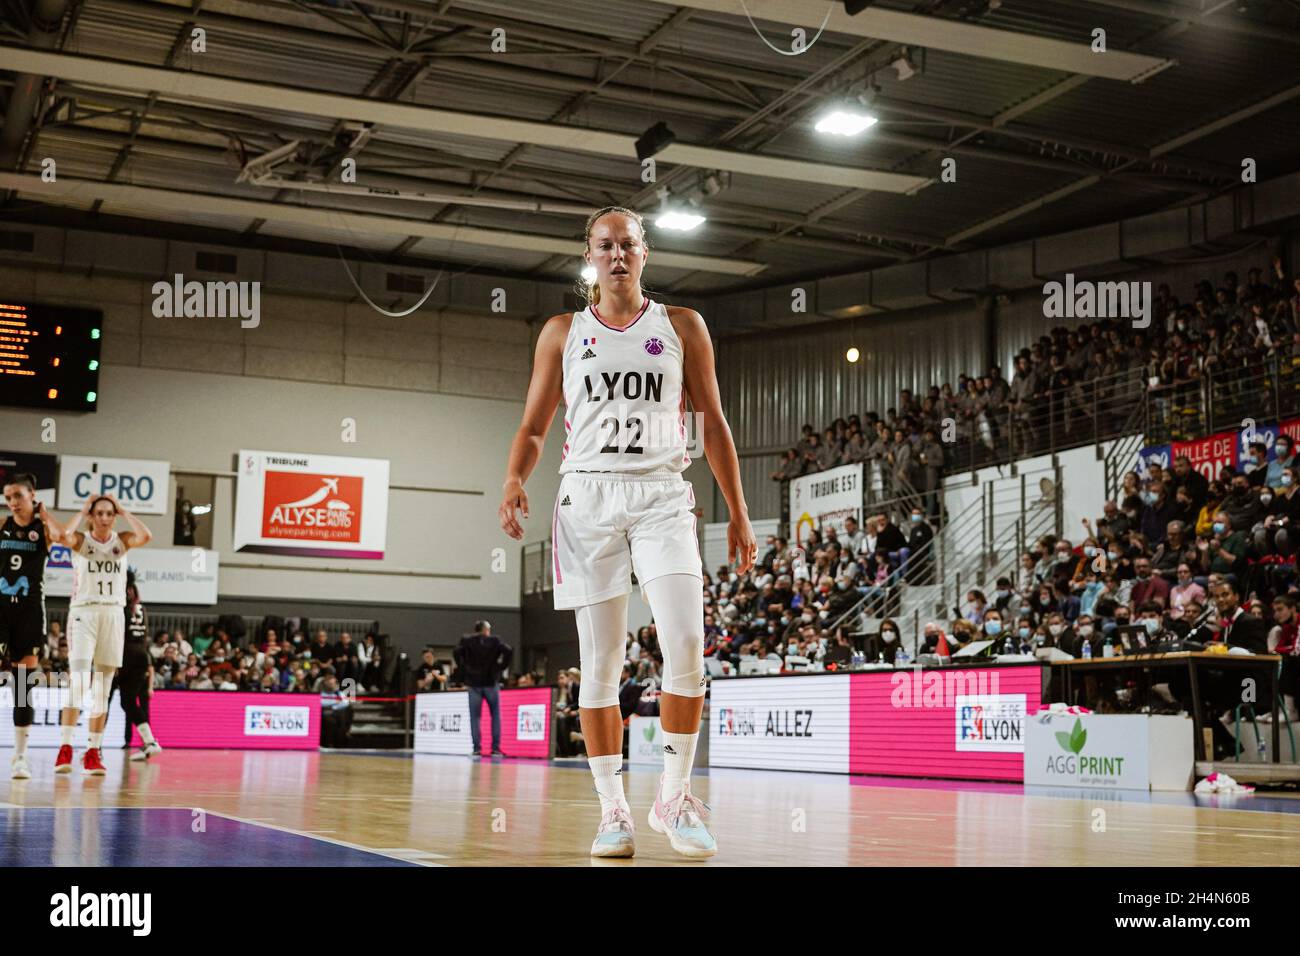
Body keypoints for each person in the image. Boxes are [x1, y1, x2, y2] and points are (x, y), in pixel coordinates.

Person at [499, 205, 754, 860]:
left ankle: (673, 795)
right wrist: (514, 480)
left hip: (663, 496)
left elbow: (714, 422)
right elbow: (533, 426)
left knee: (687, 643)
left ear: (645, 254)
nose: (617, 255)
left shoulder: (682, 325)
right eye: (605, 245)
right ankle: (613, 809)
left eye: (628, 245)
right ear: (590, 253)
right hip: (586, 499)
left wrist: (740, 510)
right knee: (603, 664)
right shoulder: (562, 332)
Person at [56, 493, 152, 775]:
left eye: (109, 513)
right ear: (91, 516)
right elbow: (63, 534)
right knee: (79, 683)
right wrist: (82, 509)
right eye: (99, 513)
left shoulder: (121, 541)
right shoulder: (81, 541)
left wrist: (124, 510)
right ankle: (65, 747)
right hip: (84, 613)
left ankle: (93, 751)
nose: (104, 518)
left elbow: (146, 535)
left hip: (113, 614)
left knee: (102, 688)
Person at [1, 473, 69, 779]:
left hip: (29, 611)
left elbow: (65, 537)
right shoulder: (3, 525)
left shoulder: (43, 528)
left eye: (18, 496)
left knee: (22, 686)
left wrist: (44, 514)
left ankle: (20, 757)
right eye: (8, 497)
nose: (12, 502)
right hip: (1, 608)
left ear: (32, 494)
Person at [453, 620, 512, 757]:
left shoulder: (467, 640)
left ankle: (476, 748)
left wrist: (464, 668)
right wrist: (501, 667)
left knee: (475, 717)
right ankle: (496, 748)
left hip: (473, 683)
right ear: (486, 630)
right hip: (491, 682)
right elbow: (508, 650)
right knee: (495, 715)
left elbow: (456, 652)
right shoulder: (495, 640)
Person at [119, 575, 161, 760]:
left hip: (124, 656)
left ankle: (94, 748)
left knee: (114, 700)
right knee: (129, 703)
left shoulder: (121, 609)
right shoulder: (142, 609)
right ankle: (149, 741)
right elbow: (145, 636)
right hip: (142, 656)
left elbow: (118, 635)